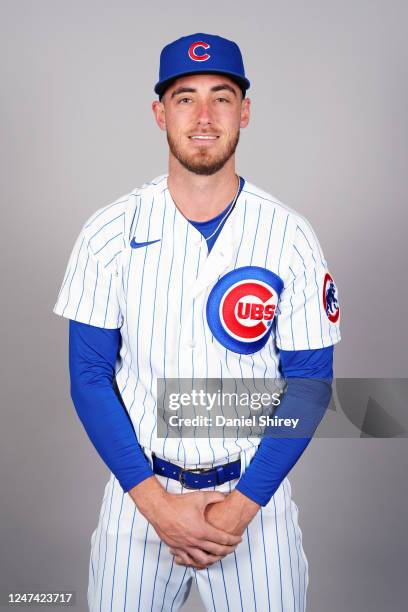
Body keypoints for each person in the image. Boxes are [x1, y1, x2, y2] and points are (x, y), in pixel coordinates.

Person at [54, 33, 341, 612]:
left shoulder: (290, 237)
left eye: (222, 97)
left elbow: (309, 383)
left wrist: (240, 509)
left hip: (252, 503)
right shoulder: (108, 231)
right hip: (140, 499)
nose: (204, 116)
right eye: (185, 98)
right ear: (160, 112)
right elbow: (88, 375)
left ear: (246, 111)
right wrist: (158, 506)